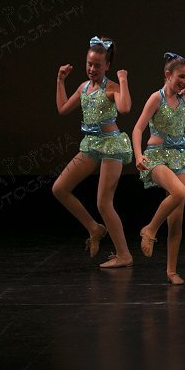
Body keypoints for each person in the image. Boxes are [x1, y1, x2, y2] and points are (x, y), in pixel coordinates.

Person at [133, 24, 185, 284]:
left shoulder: (184, 98)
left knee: (177, 219)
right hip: (156, 156)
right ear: (167, 74)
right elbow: (138, 128)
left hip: (179, 157)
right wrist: (138, 155)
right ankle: (149, 229)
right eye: (181, 76)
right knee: (179, 193)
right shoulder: (155, 99)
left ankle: (171, 271)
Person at [53, 36, 134, 268]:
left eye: (97, 65)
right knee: (59, 188)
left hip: (111, 145)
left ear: (107, 66)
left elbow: (125, 108)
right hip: (91, 144)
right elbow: (62, 109)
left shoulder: (112, 87)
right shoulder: (84, 88)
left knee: (103, 203)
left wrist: (123, 80)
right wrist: (60, 80)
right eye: (89, 64)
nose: (91, 69)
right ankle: (94, 228)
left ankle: (124, 255)